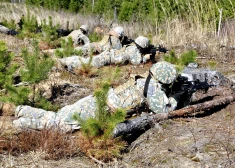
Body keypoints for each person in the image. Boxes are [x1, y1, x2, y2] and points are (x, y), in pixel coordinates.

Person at [12, 61, 187, 131]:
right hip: (99, 109)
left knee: (57, 116)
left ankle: (19, 110)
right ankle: (18, 124)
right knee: (58, 125)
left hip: (97, 101)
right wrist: (178, 96)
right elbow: (165, 110)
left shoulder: (144, 79)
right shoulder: (154, 90)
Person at [58, 36, 159, 71]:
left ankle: (66, 60)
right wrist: (145, 58)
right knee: (87, 63)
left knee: (87, 61)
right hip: (108, 58)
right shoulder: (134, 50)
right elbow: (137, 62)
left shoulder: (131, 47)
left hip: (108, 55)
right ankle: (65, 62)